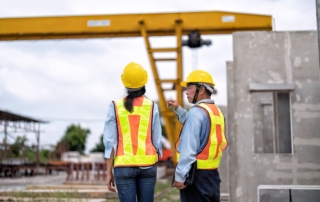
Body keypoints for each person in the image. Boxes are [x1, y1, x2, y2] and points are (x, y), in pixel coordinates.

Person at [103, 62, 162, 202]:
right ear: (144, 83)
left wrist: (108, 172)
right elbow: (157, 141)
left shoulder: (115, 106)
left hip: (123, 166)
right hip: (147, 165)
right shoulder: (152, 106)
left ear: (125, 84)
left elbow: (110, 143)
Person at [167, 69, 228, 202]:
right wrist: (178, 109)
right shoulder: (216, 112)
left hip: (196, 177)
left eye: (189, 88)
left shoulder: (196, 113)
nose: (186, 92)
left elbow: (188, 149)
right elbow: (196, 125)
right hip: (212, 176)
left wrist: (179, 176)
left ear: (201, 90)